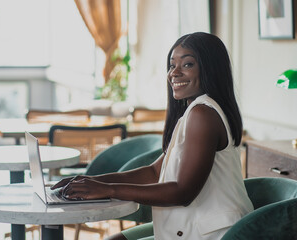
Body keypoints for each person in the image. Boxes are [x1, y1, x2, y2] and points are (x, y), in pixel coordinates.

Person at [51, 32, 253, 240]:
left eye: (187, 64)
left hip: (215, 234)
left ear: (210, 69)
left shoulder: (203, 114)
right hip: (192, 226)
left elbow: (182, 192)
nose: (174, 73)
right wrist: (90, 181)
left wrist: (108, 189)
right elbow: (154, 172)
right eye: (172, 65)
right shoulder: (194, 112)